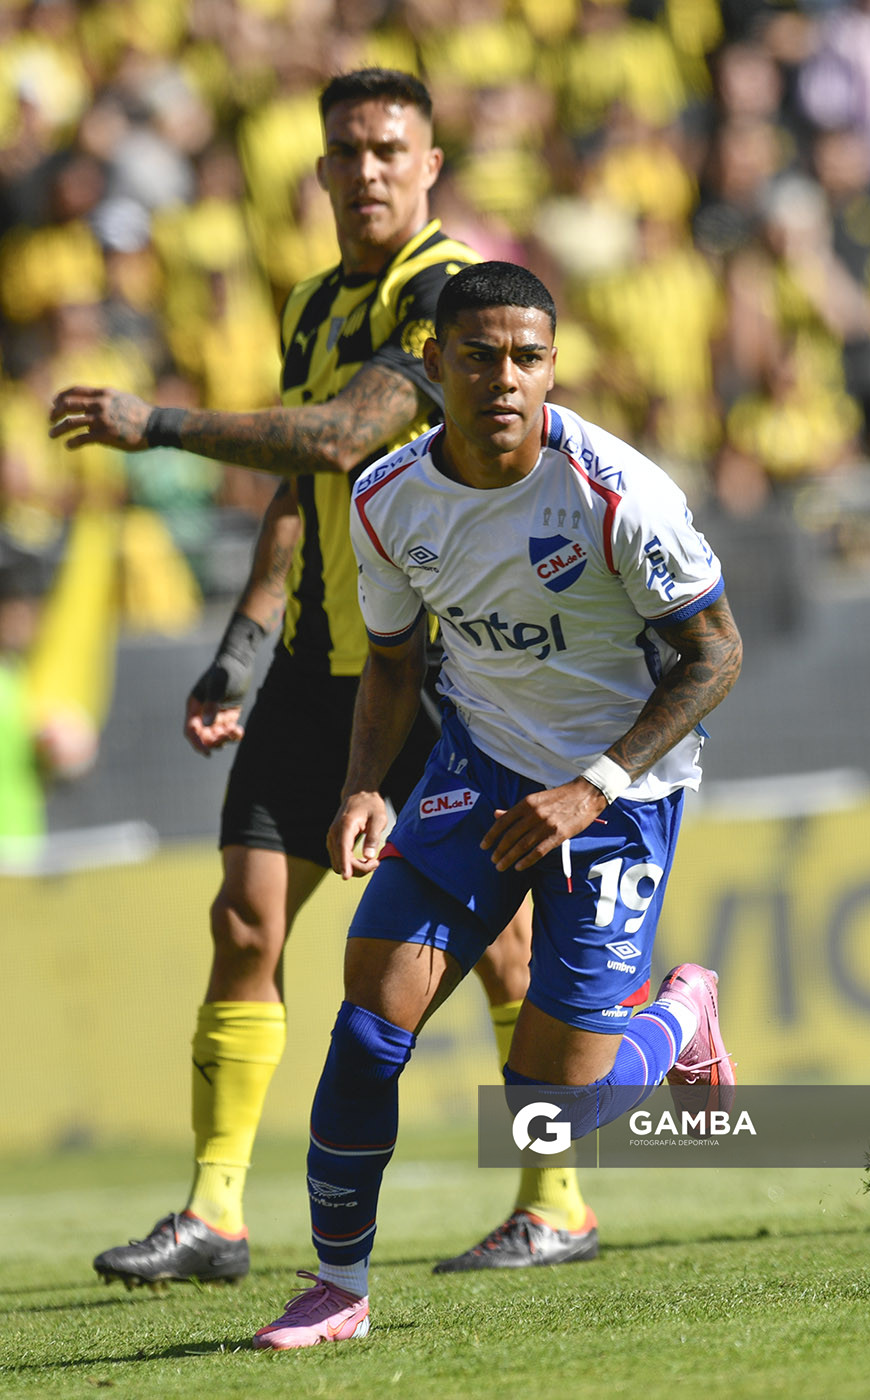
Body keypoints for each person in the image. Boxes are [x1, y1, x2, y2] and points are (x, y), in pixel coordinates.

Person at [48, 69, 596, 1285]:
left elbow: (350, 435)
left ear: (432, 161)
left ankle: (554, 1196)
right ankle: (216, 1215)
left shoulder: (449, 296)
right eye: (345, 150)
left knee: (501, 950)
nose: (367, 171)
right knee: (244, 914)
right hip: (316, 664)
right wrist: (244, 642)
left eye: (389, 147)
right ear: (318, 169)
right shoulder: (306, 302)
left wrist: (164, 425)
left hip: (440, 665)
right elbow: (308, 491)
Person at [251, 261, 743, 1350]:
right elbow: (390, 659)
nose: (504, 377)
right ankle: (340, 1286)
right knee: (369, 1021)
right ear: (435, 365)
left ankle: (679, 1015)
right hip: (480, 768)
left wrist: (594, 785)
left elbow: (715, 656)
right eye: (479, 355)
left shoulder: (619, 493)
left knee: (547, 1109)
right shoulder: (388, 501)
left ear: (553, 366)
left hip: (618, 793)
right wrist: (366, 785)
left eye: (527, 356)